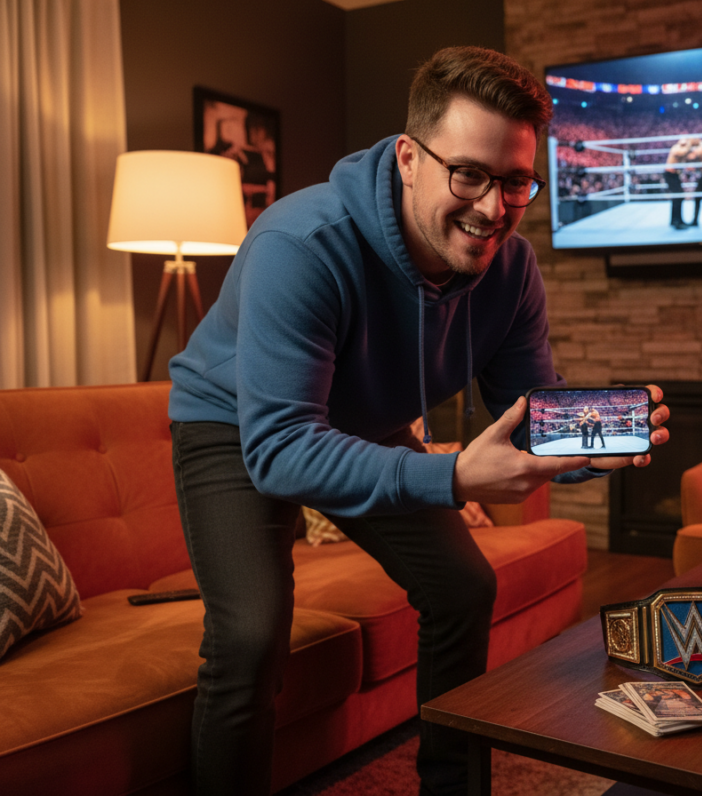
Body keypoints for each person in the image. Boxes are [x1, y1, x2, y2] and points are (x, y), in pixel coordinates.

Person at [167, 46, 670, 796]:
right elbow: (279, 449)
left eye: (516, 182)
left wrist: (597, 447)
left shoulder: (511, 268)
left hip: (360, 420)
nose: (493, 208)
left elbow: (528, 411)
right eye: (468, 174)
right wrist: (455, 472)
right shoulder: (300, 245)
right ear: (409, 159)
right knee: (249, 635)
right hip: (237, 425)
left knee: (461, 587)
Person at [664, 137, 693, 229]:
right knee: (678, 197)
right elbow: (681, 153)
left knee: (678, 197)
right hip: (670, 174)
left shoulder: (682, 150)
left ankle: (676, 220)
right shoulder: (676, 148)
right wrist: (689, 144)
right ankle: (677, 222)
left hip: (674, 175)